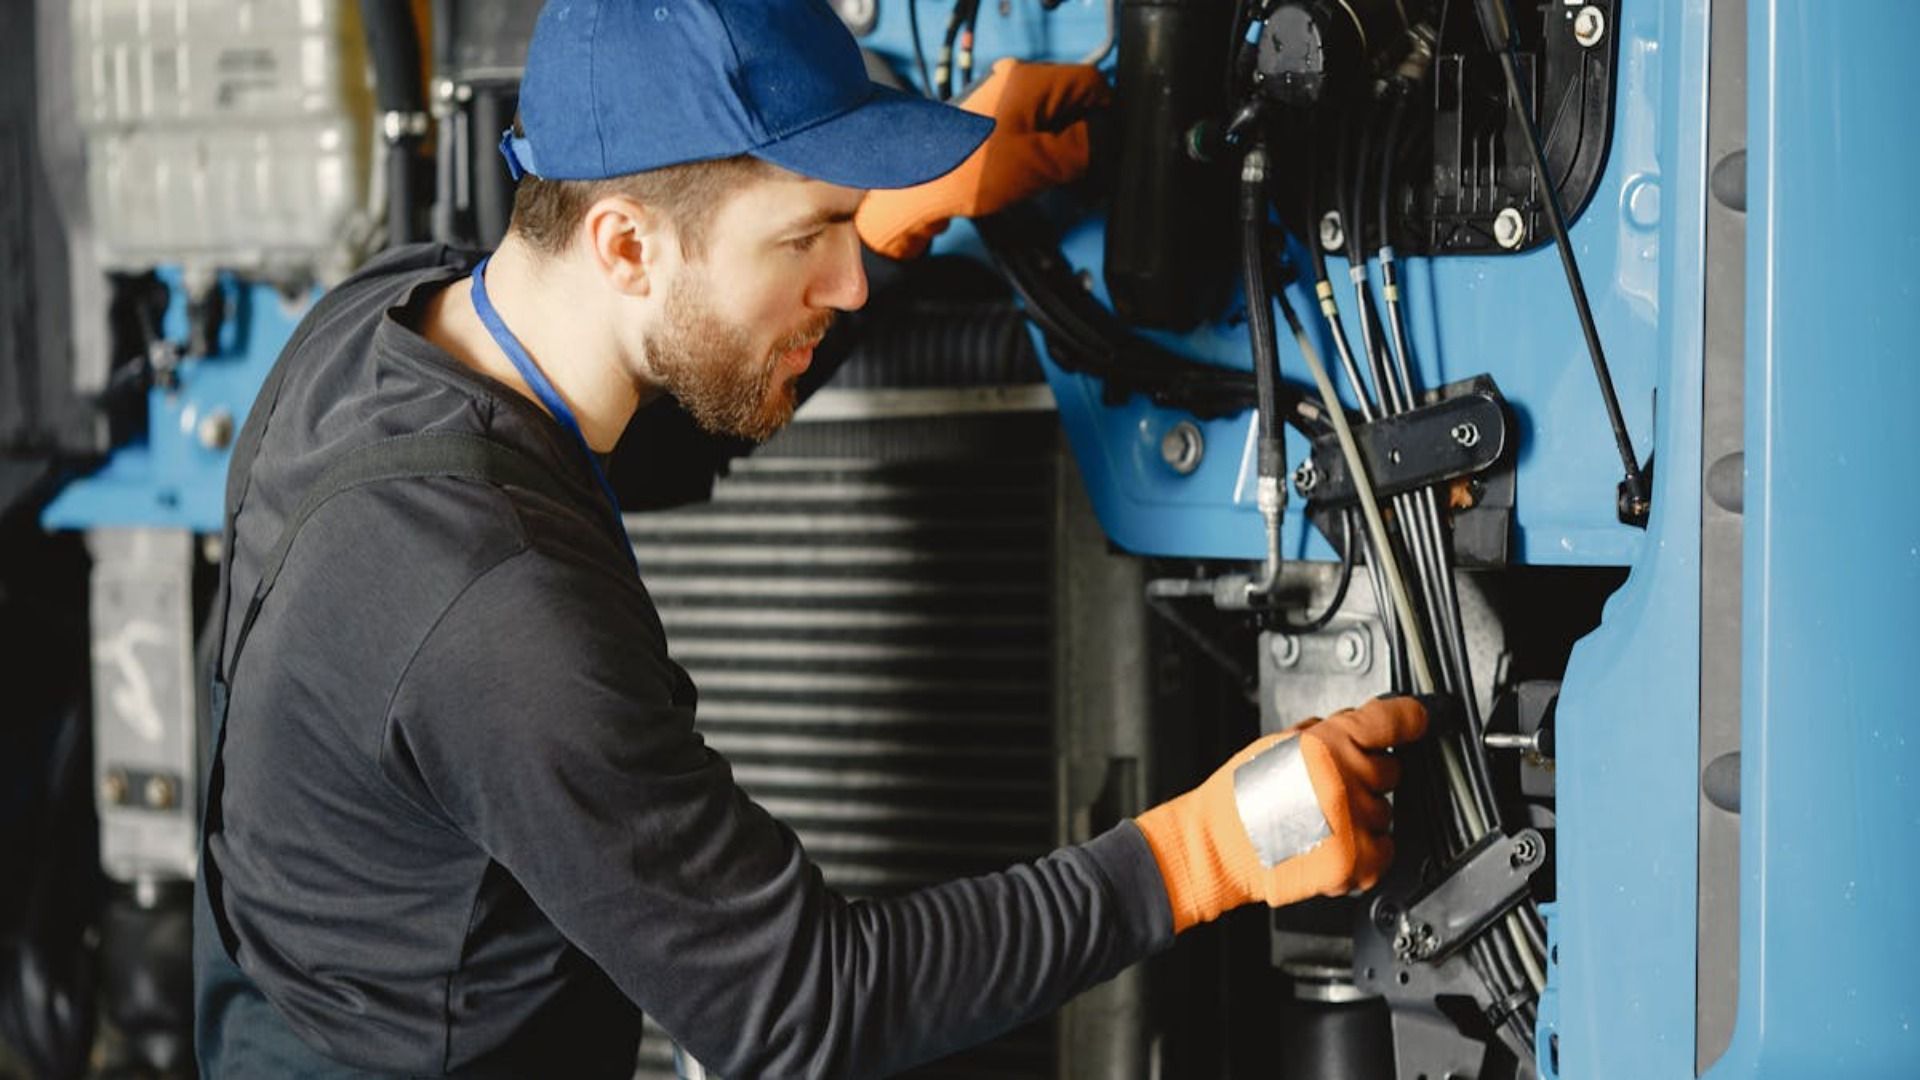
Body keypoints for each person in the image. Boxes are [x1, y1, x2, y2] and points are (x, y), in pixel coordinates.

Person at [192, 0, 1428, 1076]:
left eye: (847, 226)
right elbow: (802, 1010)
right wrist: (1214, 846)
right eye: (807, 240)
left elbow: (642, 427)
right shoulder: (496, 609)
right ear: (625, 242)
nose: (842, 282)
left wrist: (893, 224)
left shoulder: (388, 320)